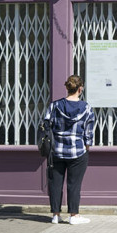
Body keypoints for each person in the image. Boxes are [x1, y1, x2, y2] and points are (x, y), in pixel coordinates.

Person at [44, 75, 96, 224]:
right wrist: (86, 148)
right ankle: (74, 215)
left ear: (67, 88)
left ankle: (55, 215)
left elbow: (46, 125)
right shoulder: (86, 108)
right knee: (74, 184)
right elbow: (89, 132)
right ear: (80, 89)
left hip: (56, 151)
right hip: (77, 151)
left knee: (55, 183)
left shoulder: (54, 106)